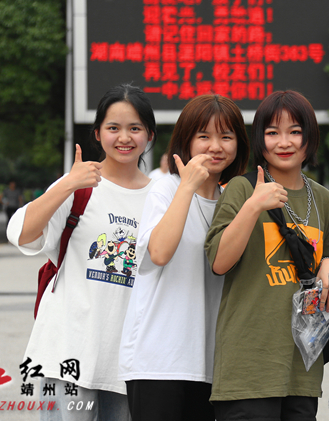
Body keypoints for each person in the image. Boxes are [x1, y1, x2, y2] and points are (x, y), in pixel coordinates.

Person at [6, 84, 157, 420]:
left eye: (135, 128)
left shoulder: (161, 196)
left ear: (149, 135)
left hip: (130, 360)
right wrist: (68, 184)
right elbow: (22, 234)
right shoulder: (77, 185)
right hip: (67, 351)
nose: (124, 137)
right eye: (113, 128)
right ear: (97, 134)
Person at [205, 90, 329, 421]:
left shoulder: (322, 199)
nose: (285, 142)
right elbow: (219, 262)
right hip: (248, 369)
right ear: (259, 139)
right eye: (273, 132)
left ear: (309, 138)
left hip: (302, 370)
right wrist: (253, 205)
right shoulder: (240, 188)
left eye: (295, 131)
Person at [119, 94, 249, 421]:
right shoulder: (164, 189)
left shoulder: (232, 202)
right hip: (157, 363)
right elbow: (159, 252)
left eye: (226, 136)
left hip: (207, 365)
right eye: (204, 136)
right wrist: (188, 187)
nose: (215, 146)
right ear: (186, 141)